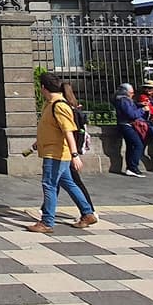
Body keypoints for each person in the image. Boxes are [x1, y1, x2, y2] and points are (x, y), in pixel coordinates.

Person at [25, 72, 97, 233]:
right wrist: (37, 143)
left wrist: (75, 155)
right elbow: (51, 129)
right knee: (68, 183)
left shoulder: (59, 106)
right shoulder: (49, 104)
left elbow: (68, 131)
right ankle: (87, 213)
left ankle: (47, 222)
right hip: (52, 150)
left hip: (56, 153)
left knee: (49, 184)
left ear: (43, 87)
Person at [61, 80, 95, 213]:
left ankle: (89, 211)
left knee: (74, 182)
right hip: (66, 150)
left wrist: (74, 154)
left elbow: (70, 132)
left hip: (67, 150)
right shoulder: (73, 107)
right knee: (54, 182)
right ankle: (45, 208)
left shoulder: (66, 109)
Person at [114, 82, 147, 177]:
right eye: (131, 93)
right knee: (138, 145)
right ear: (125, 92)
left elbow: (131, 108)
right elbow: (131, 114)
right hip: (126, 125)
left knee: (130, 146)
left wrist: (139, 105)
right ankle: (133, 167)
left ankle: (130, 167)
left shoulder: (123, 100)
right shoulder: (123, 100)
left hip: (125, 124)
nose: (132, 94)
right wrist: (142, 110)